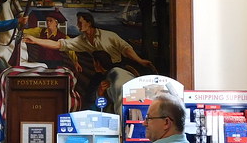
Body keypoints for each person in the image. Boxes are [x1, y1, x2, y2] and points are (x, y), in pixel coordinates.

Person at [24, 10, 155, 113]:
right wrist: (35, 40)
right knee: (90, 96)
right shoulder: (82, 40)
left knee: (119, 92)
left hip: (116, 69)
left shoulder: (108, 36)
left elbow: (125, 48)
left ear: (89, 23)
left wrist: (140, 60)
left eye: (80, 22)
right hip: (101, 71)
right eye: (77, 22)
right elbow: (59, 45)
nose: (78, 25)